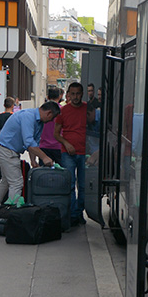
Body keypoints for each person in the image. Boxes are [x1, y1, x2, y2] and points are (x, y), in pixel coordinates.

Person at [0, 101, 60, 210]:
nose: (50, 121)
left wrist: (33, 160)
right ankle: (12, 211)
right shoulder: (28, 116)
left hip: (6, 150)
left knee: (6, 180)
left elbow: (33, 143)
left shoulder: (39, 122)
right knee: (16, 183)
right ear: (49, 113)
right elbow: (28, 142)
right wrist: (44, 157)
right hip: (5, 150)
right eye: (52, 118)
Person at [56, 83, 88, 226]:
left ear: (82, 94)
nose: (75, 97)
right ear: (68, 94)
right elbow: (56, 134)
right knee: (69, 184)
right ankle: (72, 214)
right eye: (73, 94)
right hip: (67, 153)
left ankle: (79, 212)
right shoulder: (63, 111)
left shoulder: (88, 109)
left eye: (78, 93)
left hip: (85, 153)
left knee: (83, 186)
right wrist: (66, 143)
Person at [38, 85, 63, 165]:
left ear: (47, 96)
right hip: (59, 146)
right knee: (62, 173)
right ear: (59, 97)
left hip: (44, 146)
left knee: (44, 173)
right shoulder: (63, 111)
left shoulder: (42, 111)